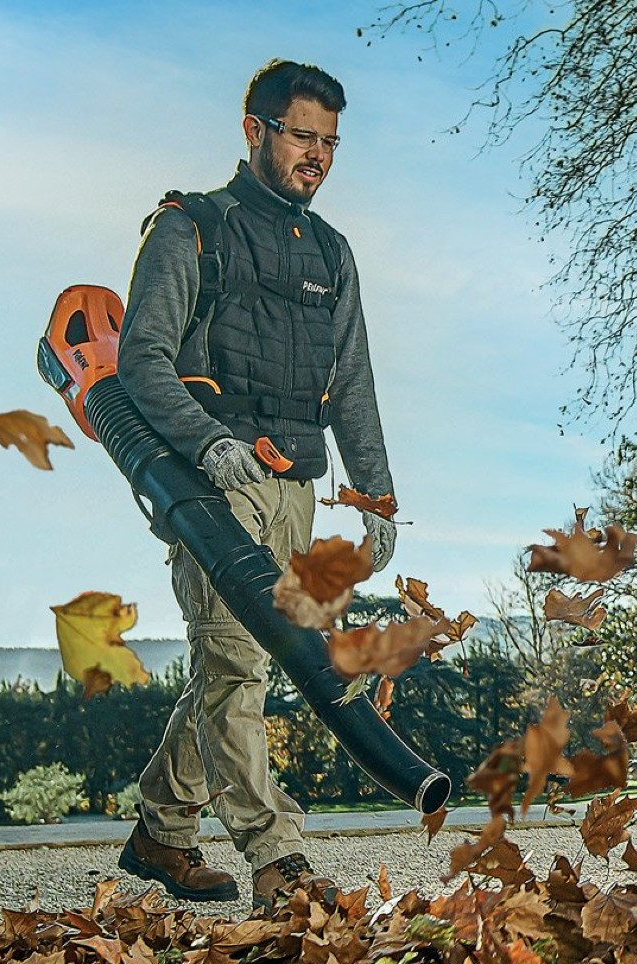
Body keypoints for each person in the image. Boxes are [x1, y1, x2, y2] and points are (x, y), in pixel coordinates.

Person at [114, 60, 396, 913]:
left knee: (239, 663)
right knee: (237, 661)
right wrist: (207, 447)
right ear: (255, 130)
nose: (319, 156)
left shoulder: (332, 253)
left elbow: (353, 387)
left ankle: (163, 828)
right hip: (215, 488)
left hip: (298, 490)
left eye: (331, 143)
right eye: (304, 136)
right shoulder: (192, 228)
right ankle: (279, 858)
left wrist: (377, 500)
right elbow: (140, 360)